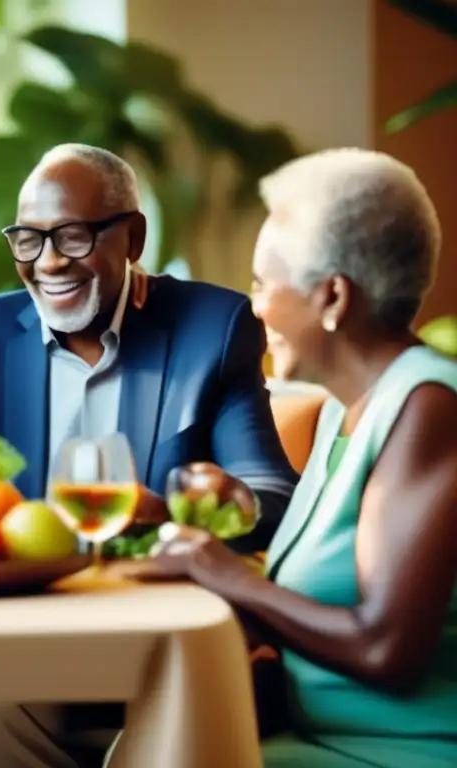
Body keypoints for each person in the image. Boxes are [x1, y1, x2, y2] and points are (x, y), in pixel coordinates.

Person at [0, 144, 298, 766]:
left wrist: (191, 508)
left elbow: (271, 491)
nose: (49, 262)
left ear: (132, 237)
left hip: (160, 625)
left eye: (74, 238)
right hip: (27, 631)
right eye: (28, 239)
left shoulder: (214, 325)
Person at [150, 149, 457, 767]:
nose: (254, 306)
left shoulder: (427, 409)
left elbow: (384, 649)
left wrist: (228, 574)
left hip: (396, 755)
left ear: (333, 296)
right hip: (316, 740)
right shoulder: (344, 412)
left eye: (264, 284)